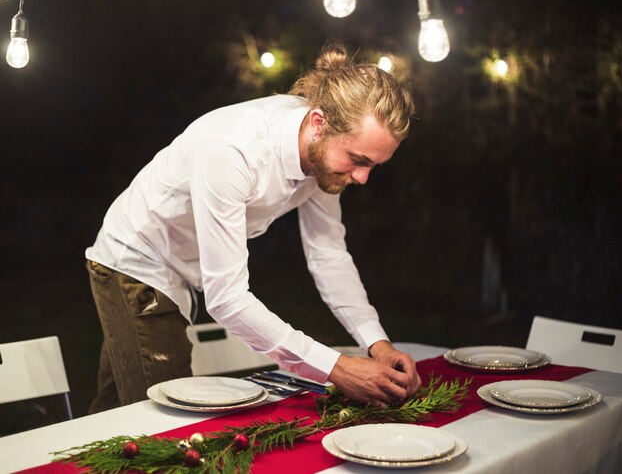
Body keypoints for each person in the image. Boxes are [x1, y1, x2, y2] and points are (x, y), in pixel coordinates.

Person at [85, 41, 421, 414]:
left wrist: (378, 344)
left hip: (183, 270)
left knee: (115, 411)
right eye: (358, 160)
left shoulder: (326, 155)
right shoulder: (232, 151)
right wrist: (336, 368)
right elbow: (226, 297)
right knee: (166, 418)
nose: (362, 177)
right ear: (319, 123)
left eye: (373, 165)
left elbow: (329, 255)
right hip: (136, 261)